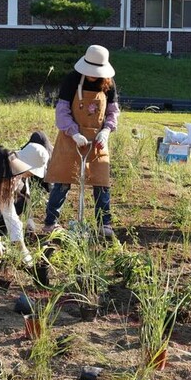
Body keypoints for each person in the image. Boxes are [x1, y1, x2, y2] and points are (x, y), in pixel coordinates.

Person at [42, 45, 119, 237]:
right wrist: (74, 133)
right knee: (63, 180)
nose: (94, 76)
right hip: (71, 138)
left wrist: (106, 131)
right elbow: (62, 111)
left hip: (97, 140)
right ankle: (50, 222)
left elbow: (112, 112)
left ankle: (104, 223)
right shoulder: (72, 79)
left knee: (101, 180)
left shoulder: (109, 84)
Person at [0, 137, 51, 233]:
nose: (32, 174)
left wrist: (29, 219)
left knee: (22, 202)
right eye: (32, 171)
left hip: (1, 206)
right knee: (18, 205)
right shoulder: (5, 171)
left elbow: (26, 194)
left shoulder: (20, 174)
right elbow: (4, 204)